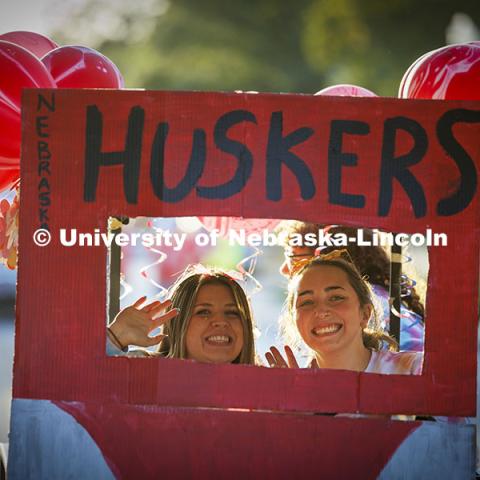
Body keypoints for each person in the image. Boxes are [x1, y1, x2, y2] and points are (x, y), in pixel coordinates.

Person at [276, 221, 425, 352]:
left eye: (292, 256)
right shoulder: (378, 301)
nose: (283, 269)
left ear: (326, 257)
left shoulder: (373, 308)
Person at [266, 255, 422, 375]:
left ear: (365, 314)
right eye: (306, 302)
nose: (320, 311)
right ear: (294, 320)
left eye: (336, 298)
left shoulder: (414, 370)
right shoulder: (292, 390)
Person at [107, 265, 256, 365]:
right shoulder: (141, 368)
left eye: (232, 313)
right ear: (177, 324)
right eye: (203, 312)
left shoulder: (261, 387)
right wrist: (115, 338)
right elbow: (88, 381)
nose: (221, 321)